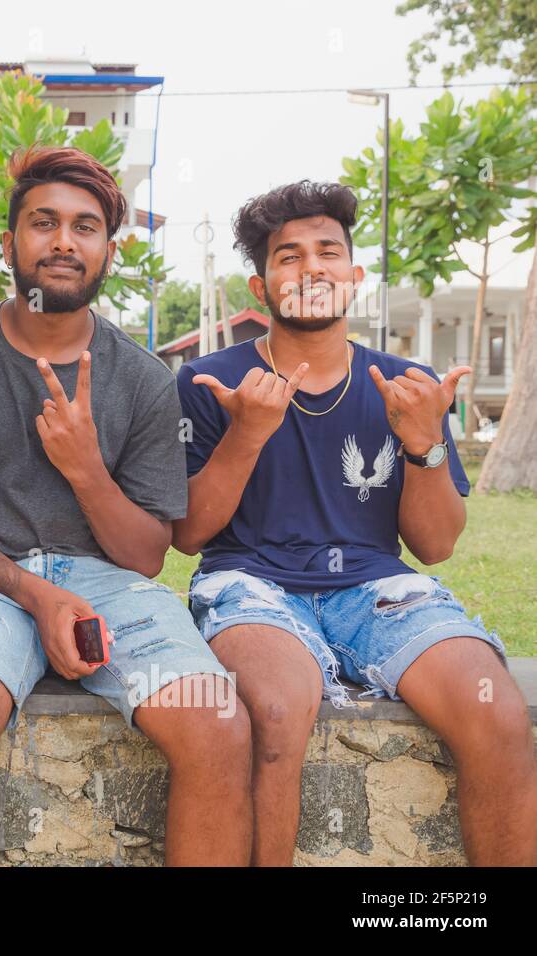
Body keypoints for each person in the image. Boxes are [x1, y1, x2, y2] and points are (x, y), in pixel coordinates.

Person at [0, 146, 252, 867]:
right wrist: (38, 596)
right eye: (44, 223)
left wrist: (86, 468)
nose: (64, 241)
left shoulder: (147, 379)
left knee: (218, 727)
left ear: (108, 252)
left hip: (109, 584)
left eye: (85, 227)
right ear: (10, 244)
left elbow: (148, 554)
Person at [173, 180, 537, 866]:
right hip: (250, 585)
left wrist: (423, 443)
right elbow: (188, 535)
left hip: (378, 590)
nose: (311, 267)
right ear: (260, 288)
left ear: (354, 276)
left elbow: (434, 545)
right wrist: (247, 434)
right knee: (276, 713)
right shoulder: (207, 380)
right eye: (289, 256)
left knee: (496, 710)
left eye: (328, 252)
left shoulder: (406, 384)